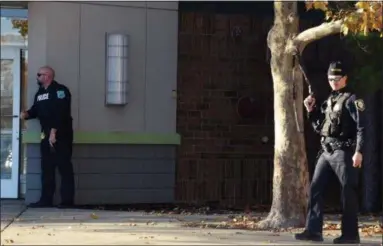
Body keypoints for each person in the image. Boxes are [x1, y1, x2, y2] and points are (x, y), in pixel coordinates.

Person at [294, 61, 365, 244]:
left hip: (343, 151)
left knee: (348, 192)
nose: (334, 81)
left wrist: (359, 151)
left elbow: (362, 127)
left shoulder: (352, 99)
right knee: (315, 188)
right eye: (330, 78)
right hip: (326, 151)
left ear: (345, 79)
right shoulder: (329, 99)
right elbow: (321, 127)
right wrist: (311, 110)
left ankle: (350, 235)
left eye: (337, 78)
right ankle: (313, 231)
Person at [21, 66, 75, 209]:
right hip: (45, 134)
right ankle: (46, 200)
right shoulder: (40, 93)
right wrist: (27, 114)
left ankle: (67, 201)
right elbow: (36, 110)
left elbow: (62, 113)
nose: (37, 77)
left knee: (64, 167)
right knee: (47, 168)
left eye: (39, 74)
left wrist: (54, 131)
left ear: (47, 76)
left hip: (61, 134)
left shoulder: (60, 91)